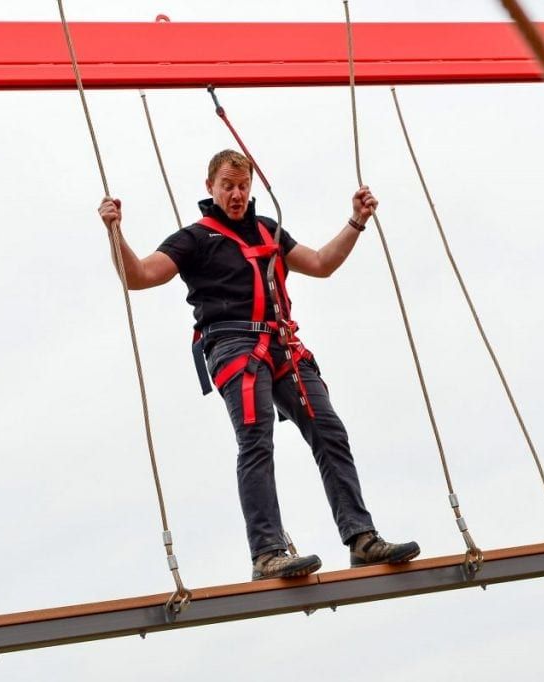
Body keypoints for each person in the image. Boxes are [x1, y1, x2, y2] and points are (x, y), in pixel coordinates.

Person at [98, 149, 419, 580]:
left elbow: (321, 264)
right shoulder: (193, 239)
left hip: (281, 344)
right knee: (256, 437)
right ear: (210, 187)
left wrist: (356, 221)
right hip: (232, 345)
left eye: (242, 186)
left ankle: (361, 538)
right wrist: (114, 232)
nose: (235, 194)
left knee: (328, 429)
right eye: (227, 185)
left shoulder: (270, 231)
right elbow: (138, 276)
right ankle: (267, 552)